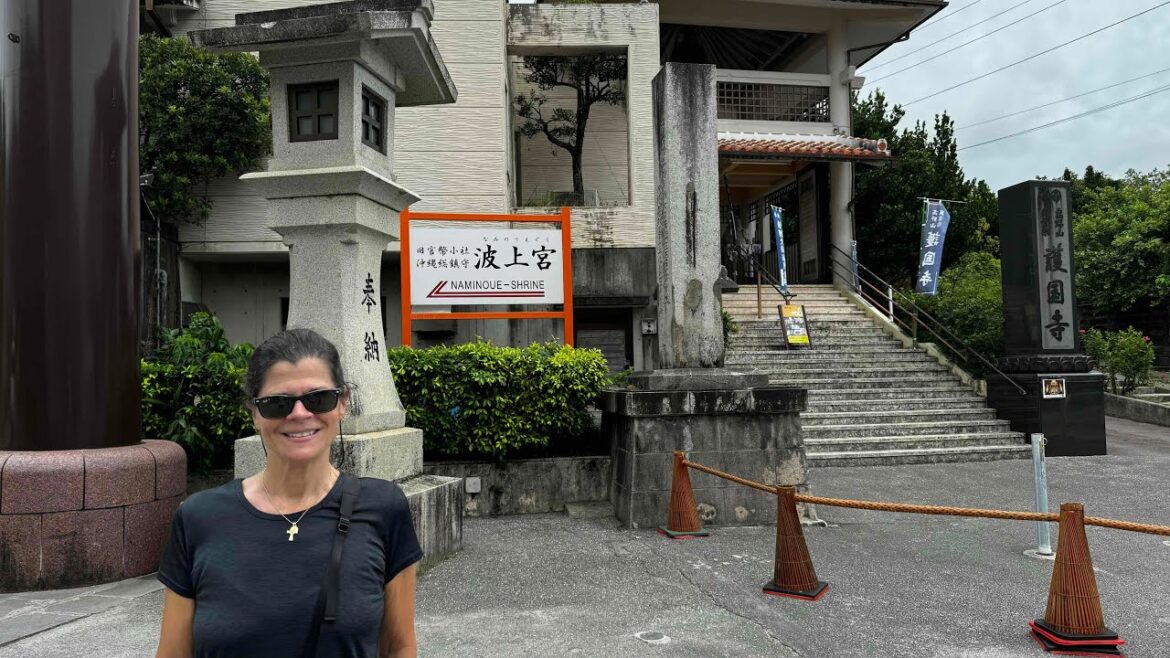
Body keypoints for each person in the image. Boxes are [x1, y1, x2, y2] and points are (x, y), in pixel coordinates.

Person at [155, 328, 422, 658]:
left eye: (318, 398)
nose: (299, 414)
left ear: (343, 403)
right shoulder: (199, 518)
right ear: (254, 413)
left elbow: (399, 647)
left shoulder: (384, 509)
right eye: (277, 403)